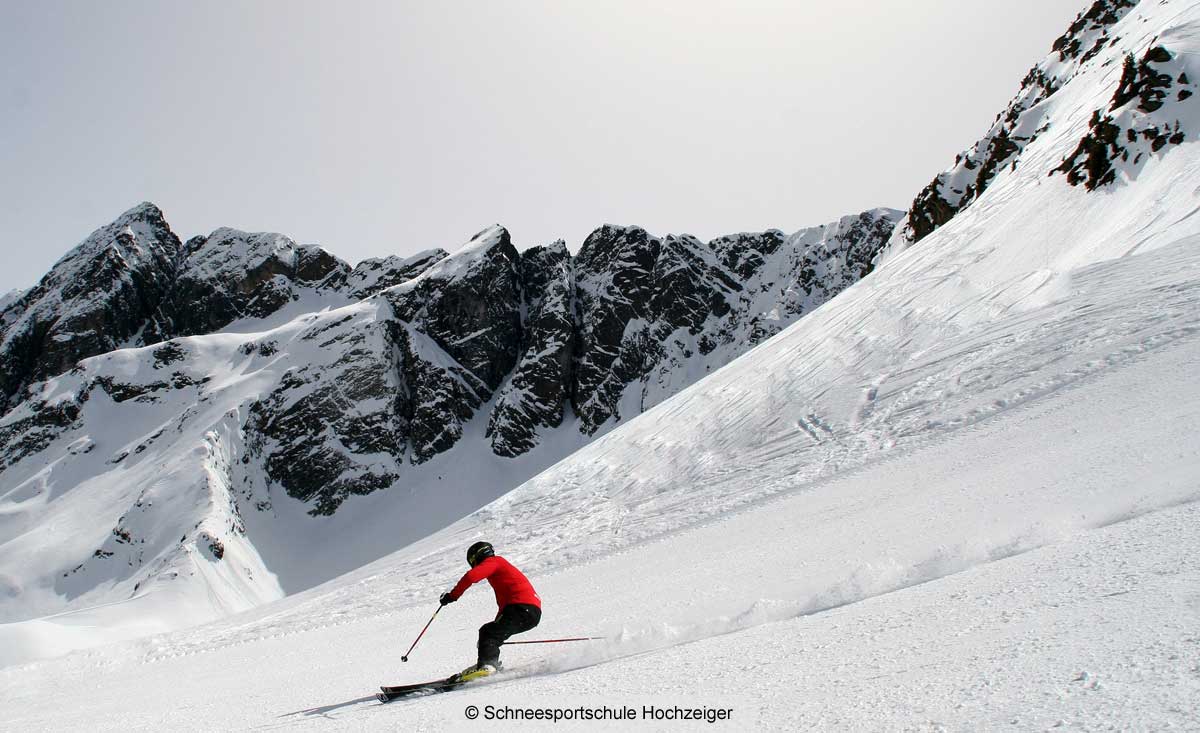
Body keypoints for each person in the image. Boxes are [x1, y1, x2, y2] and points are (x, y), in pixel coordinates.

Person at [440, 541, 541, 680]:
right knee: (490, 632)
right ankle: (487, 664)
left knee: (488, 632)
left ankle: (488, 667)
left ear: (476, 557)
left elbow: (471, 577)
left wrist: (452, 596)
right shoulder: (499, 569)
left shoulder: (494, 561)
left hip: (522, 608)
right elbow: (505, 607)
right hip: (528, 611)